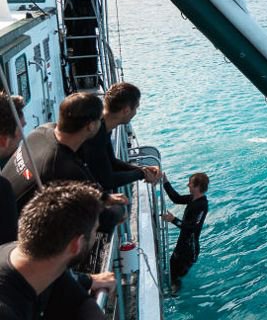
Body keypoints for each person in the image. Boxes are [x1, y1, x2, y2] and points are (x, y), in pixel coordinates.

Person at [1, 93, 128, 232]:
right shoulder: (63, 167)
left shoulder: (41, 131)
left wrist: (104, 197)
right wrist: (120, 210)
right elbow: (104, 219)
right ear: (91, 126)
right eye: (100, 120)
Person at [0, 181, 110, 320]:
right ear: (76, 244)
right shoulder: (6, 315)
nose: (95, 236)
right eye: (95, 230)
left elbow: (78, 302)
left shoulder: (36, 262)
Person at [79, 82, 160, 191]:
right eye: (136, 108)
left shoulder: (103, 124)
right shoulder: (96, 133)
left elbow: (112, 162)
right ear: (126, 110)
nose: (135, 112)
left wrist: (143, 170)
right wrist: (141, 174)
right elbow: (107, 181)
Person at [162, 172, 209, 294]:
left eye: (191, 183)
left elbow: (192, 228)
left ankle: (174, 298)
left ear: (197, 187)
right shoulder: (192, 198)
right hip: (182, 244)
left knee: (175, 277)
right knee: (171, 272)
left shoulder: (202, 205)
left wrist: (173, 220)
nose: (188, 185)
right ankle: (171, 291)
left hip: (189, 249)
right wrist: (165, 182)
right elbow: (176, 198)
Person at [0, 94, 24, 245]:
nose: (22, 138)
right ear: (3, 140)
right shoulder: (2, 190)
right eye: (19, 133)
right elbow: (7, 251)